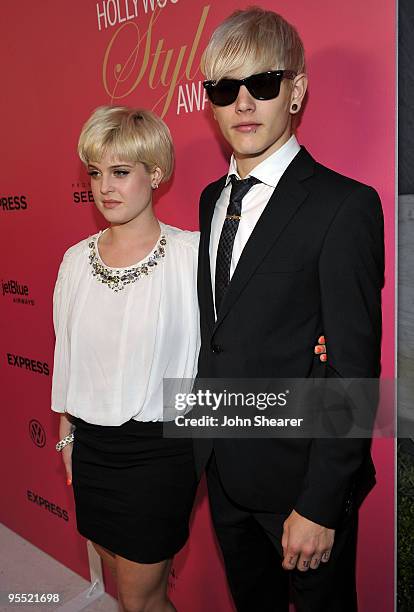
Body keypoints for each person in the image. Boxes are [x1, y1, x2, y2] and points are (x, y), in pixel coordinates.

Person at [196, 7, 384, 612]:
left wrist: (321, 504)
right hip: (224, 471)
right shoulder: (208, 199)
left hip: (302, 487)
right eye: (226, 89)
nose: (243, 103)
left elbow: (353, 369)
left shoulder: (344, 206)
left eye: (263, 83)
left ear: (296, 91)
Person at [51, 106, 200, 612]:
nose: (104, 187)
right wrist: (67, 433)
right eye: (95, 173)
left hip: (159, 453)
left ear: (155, 174)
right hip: (93, 450)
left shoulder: (191, 258)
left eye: (120, 172)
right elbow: (65, 353)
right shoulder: (75, 261)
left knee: (139, 598)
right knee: (123, 578)